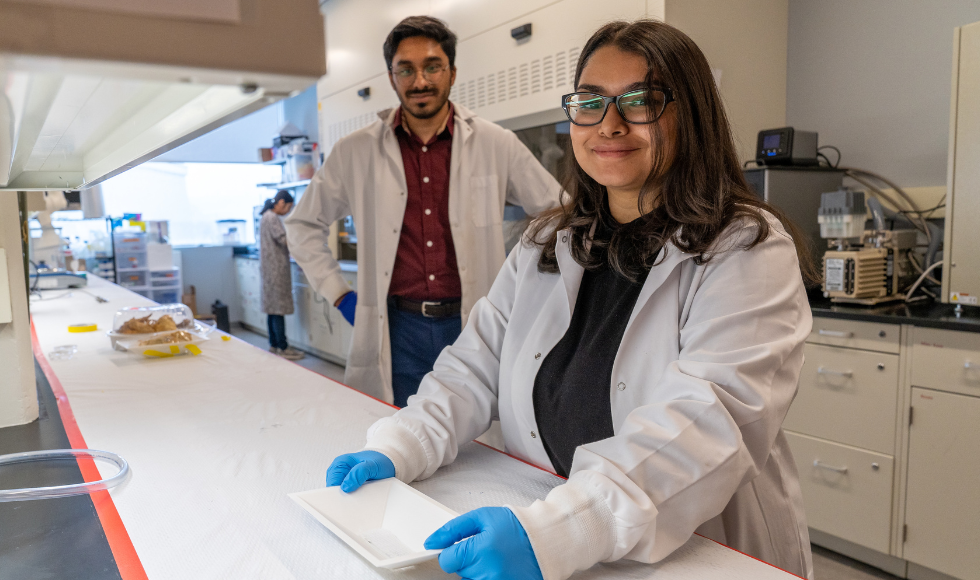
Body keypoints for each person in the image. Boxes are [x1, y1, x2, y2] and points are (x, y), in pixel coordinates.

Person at [325, 19, 818, 580]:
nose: (609, 123)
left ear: (693, 114)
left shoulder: (744, 250)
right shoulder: (548, 242)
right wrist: (402, 443)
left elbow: (707, 421)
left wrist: (566, 530)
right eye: (590, 101)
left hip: (691, 548)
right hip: (557, 517)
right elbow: (474, 365)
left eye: (641, 101)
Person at [285, 16, 561, 407]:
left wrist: (531, 292)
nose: (420, 81)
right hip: (398, 332)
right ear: (391, 76)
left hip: (474, 324)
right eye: (406, 69)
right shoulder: (355, 151)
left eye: (433, 66)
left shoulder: (496, 143)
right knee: (399, 440)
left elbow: (559, 214)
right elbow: (301, 226)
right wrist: (339, 295)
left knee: (480, 445)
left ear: (452, 72)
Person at [259, 190, 305, 361]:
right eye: (288, 207)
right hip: (276, 269)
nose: (288, 211)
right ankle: (283, 347)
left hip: (270, 269)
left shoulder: (265, 216)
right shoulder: (272, 218)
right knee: (277, 309)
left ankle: (274, 345)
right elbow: (284, 239)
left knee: (272, 309)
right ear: (280, 203)